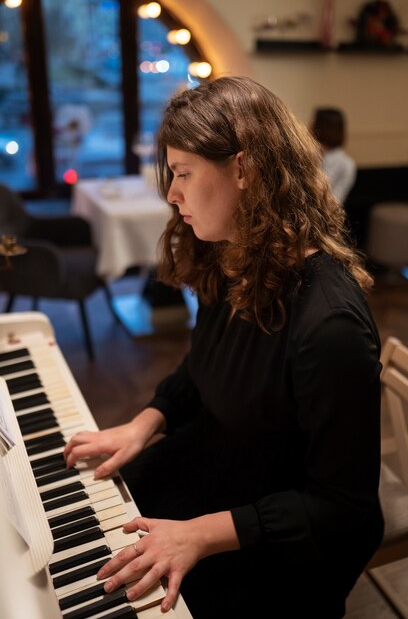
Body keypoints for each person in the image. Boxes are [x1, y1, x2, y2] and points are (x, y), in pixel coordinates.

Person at [64, 76, 384, 619]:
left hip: (283, 540)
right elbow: (206, 365)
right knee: (92, 539)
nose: (171, 193)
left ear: (244, 169)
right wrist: (145, 422)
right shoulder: (231, 253)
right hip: (222, 462)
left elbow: (344, 509)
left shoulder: (330, 326)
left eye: (184, 174)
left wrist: (200, 536)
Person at [311, 107, 357, 204]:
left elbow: (335, 201)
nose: (309, 126)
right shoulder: (308, 154)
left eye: (313, 123)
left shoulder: (346, 164)